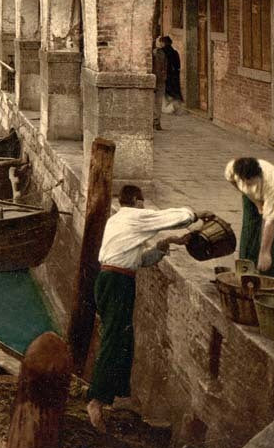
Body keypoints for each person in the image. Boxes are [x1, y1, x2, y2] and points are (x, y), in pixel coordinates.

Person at [86, 185, 209, 431]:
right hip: (116, 282)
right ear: (137, 201)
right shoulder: (133, 215)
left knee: (124, 337)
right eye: (142, 202)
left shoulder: (118, 221)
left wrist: (166, 244)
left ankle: (120, 395)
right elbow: (168, 217)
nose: (144, 206)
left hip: (113, 280)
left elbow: (141, 260)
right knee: (113, 339)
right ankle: (96, 401)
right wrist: (196, 215)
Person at [225, 157, 274, 278]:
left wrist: (264, 252)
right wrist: (255, 202)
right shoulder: (233, 168)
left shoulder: (272, 186)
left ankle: (270, 276)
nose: (246, 184)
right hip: (251, 197)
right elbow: (232, 180)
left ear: (257, 176)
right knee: (249, 230)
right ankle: (246, 272)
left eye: (249, 182)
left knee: (273, 239)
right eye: (243, 181)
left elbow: (270, 221)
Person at [160, 36, 182, 113]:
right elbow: (178, 66)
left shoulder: (161, 52)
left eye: (161, 42)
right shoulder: (175, 52)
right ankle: (173, 107)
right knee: (173, 91)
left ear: (163, 43)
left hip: (165, 75)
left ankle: (168, 108)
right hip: (174, 76)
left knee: (165, 92)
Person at [151, 36, 168, 130]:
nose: (162, 44)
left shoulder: (162, 53)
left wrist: (163, 75)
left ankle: (156, 122)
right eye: (159, 41)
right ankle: (155, 121)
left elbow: (165, 67)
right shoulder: (151, 54)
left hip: (159, 80)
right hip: (154, 79)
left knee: (158, 102)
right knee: (154, 102)